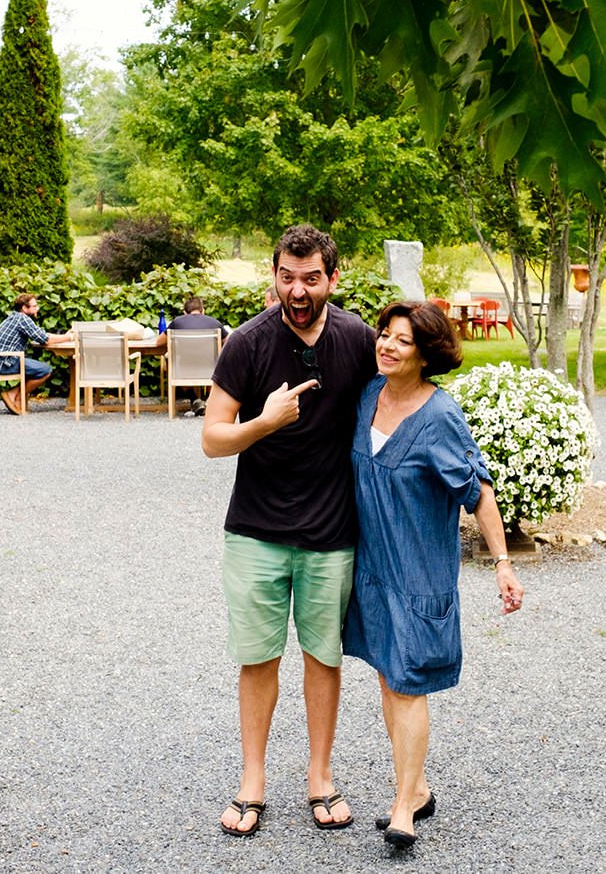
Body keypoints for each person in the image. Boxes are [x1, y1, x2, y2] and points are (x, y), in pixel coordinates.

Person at [201, 224, 376, 837]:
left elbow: (398, 400)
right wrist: (264, 422)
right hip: (256, 530)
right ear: (273, 274)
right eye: (286, 277)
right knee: (257, 658)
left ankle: (320, 777)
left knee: (323, 657)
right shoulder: (247, 344)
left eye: (310, 278)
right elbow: (212, 439)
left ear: (332, 277)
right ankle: (253, 781)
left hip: (332, 531)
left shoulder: (358, 339)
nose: (296, 290)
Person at [344, 300, 524, 850]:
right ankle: (416, 787)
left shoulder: (440, 416)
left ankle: (403, 807)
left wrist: (502, 564)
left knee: (408, 683)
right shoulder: (369, 395)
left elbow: (479, 490)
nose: (387, 345)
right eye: (384, 334)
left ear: (426, 354)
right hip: (373, 568)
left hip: (420, 574)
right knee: (387, 677)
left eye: (403, 340)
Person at [0, 293, 72, 415]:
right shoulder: (22, 319)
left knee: (36, 368)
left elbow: (41, 335)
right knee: (45, 370)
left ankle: (14, 395)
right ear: (24, 308)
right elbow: (46, 339)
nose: (37, 309)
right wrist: (70, 337)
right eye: (34, 306)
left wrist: (63, 337)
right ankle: (14, 396)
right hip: (3, 363)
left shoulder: (16, 318)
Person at [164, 297, 230, 416]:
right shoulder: (214, 323)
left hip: (183, 369)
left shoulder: (177, 322)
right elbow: (229, 340)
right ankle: (208, 400)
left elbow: (159, 342)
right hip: (209, 368)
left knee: (170, 359)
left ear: (185, 312)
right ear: (202, 311)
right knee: (216, 361)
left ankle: (194, 399)